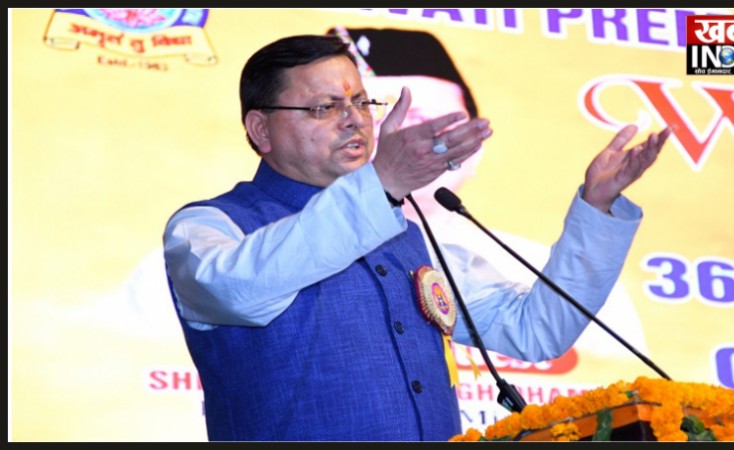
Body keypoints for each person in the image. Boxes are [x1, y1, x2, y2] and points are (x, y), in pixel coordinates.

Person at [162, 33, 671, 441]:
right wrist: (380, 184)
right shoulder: (211, 227)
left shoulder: (408, 237)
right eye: (324, 107)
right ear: (261, 129)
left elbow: (535, 330)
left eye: (361, 102)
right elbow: (240, 289)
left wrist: (596, 209)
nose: (353, 120)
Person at [332, 26, 653, 365]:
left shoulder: (502, 260)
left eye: (430, 124)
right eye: (382, 121)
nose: (412, 143)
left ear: (477, 146)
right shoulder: (300, 232)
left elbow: (536, 332)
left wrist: (597, 205)